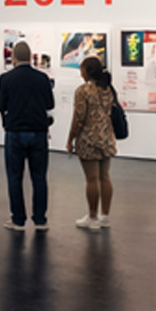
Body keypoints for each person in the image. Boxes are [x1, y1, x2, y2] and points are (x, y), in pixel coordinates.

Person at [0, 41, 54, 231]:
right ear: (30, 57)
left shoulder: (6, 79)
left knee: (15, 177)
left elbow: (0, 105)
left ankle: (18, 220)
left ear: (13, 58)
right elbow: (50, 104)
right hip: (39, 132)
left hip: (15, 132)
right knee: (39, 177)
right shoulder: (42, 78)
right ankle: (40, 220)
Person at [66, 56, 117, 231]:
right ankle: (105, 216)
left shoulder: (83, 91)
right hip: (106, 138)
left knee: (92, 179)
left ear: (87, 71)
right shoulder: (108, 89)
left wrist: (70, 139)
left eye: (81, 70)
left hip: (88, 139)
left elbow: (79, 118)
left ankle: (92, 217)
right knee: (105, 177)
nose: (80, 73)